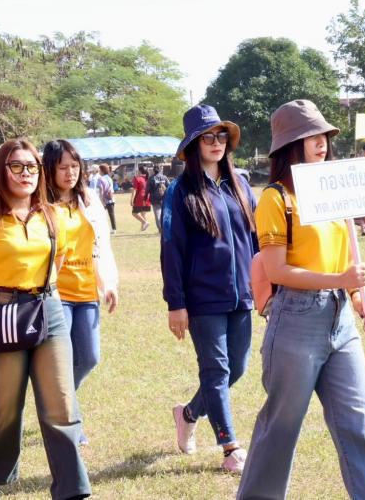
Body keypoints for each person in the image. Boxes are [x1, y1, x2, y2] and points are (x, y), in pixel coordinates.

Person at [237, 99, 365, 499]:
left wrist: (357, 296)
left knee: (357, 424)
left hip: (341, 321)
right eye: (310, 136)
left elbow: (346, 256)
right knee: (281, 427)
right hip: (295, 318)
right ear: (290, 144)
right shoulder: (276, 198)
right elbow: (276, 271)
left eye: (324, 135)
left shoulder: (335, 191)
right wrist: (340, 279)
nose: (321, 142)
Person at [0, 138, 91, 500]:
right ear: (1, 172)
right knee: (4, 404)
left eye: (31, 166)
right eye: (16, 166)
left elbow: (57, 263)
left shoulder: (52, 216)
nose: (25, 173)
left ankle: (72, 489)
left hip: (48, 310)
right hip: (1, 314)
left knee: (61, 404)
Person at [161, 104, 257, 474]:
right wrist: (176, 303)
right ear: (193, 145)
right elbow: (171, 248)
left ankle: (188, 414)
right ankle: (230, 447)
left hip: (242, 295)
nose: (216, 143)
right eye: (207, 138)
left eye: (220, 136)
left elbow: (257, 239)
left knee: (237, 369)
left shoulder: (241, 184)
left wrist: (264, 285)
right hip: (202, 299)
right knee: (216, 370)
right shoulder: (180, 191)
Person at [42, 139, 119, 447]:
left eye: (75, 166)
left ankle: (55, 404)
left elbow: (100, 246)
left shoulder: (88, 199)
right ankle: (70, 420)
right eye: (63, 167)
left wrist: (108, 284)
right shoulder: (40, 205)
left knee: (88, 358)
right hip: (55, 294)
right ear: (50, 169)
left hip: (87, 291)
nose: (70, 173)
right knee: (62, 362)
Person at [147, 165, 170, 234]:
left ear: (153, 170)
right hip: (164, 199)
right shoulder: (164, 177)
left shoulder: (151, 178)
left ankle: (161, 230)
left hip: (155, 200)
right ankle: (166, 229)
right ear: (160, 170)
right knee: (165, 214)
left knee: (157, 215)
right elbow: (169, 187)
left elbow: (147, 189)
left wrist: (145, 197)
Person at [130, 165, 151, 231]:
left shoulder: (137, 178)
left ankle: (145, 222)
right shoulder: (148, 178)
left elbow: (134, 190)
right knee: (143, 213)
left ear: (139, 171)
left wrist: (131, 199)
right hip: (147, 197)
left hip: (140, 197)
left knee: (134, 213)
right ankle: (143, 228)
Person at [98, 163, 116, 234]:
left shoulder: (101, 179)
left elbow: (101, 190)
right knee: (111, 214)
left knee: (100, 214)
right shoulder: (109, 178)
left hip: (105, 199)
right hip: (111, 197)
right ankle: (114, 229)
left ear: (102, 170)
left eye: (99, 170)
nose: (99, 171)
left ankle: (102, 229)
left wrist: (101, 200)